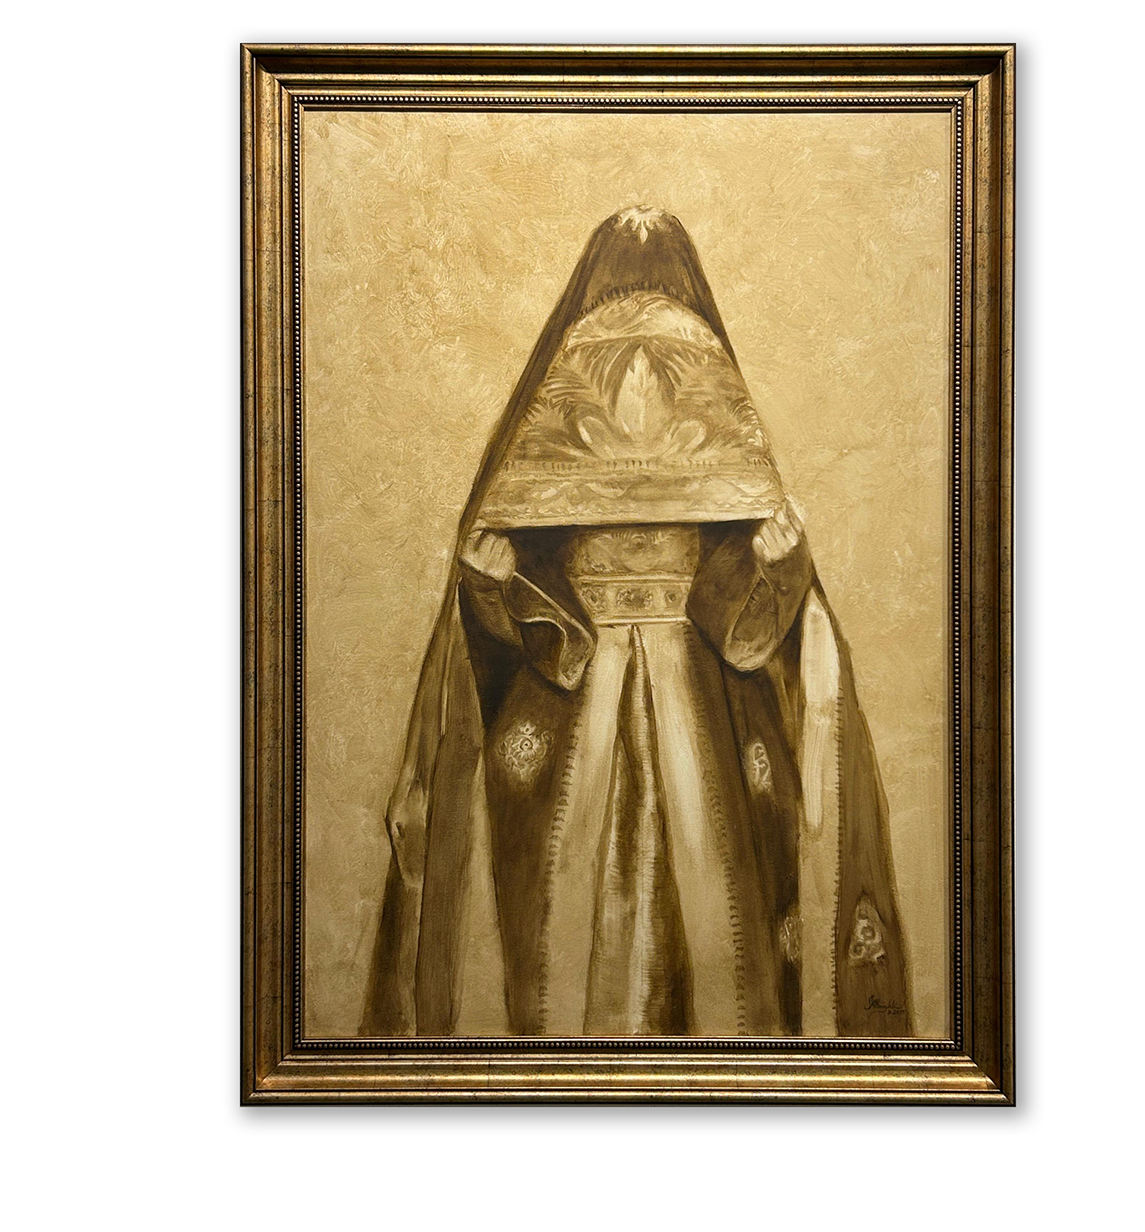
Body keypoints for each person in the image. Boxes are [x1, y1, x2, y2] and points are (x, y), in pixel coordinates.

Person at [362, 206, 910, 1037]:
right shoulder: (551, 421)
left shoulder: (713, 402)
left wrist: (779, 562)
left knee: (726, 934)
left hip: (703, 702)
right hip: (572, 706)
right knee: (552, 941)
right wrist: (491, 584)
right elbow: (507, 637)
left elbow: (750, 629)